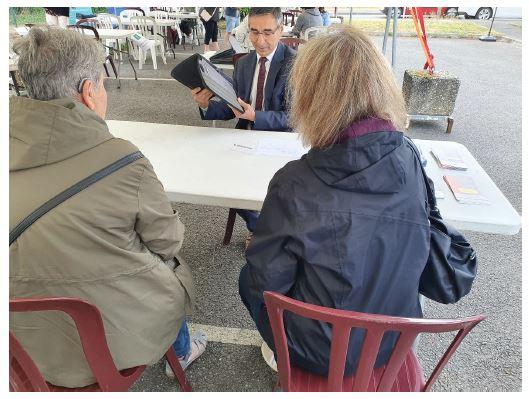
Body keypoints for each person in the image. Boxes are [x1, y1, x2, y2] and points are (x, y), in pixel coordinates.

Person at [9, 27, 206, 388]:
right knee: (169, 264)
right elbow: (168, 243)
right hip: (105, 340)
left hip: (19, 346)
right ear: (88, 92)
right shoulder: (124, 162)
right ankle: (181, 350)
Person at [239, 26, 433, 376]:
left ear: (311, 96)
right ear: (381, 85)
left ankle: (278, 352)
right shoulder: (410, 156)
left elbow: (265, 283)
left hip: (320, 352)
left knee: (246, 276)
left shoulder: (294, 182)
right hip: (393, 338)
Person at [190, 7, 296, 245]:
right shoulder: (245, 63)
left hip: (281, 141)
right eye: (254, 32)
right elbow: (233, 107)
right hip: (245, 139)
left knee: (279, 189)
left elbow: (294, 118)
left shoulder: (296, 64)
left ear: (281, 30)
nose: (260, 41)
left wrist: (255, 115)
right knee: (219, 180)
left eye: (268, 32)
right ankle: (261, 229)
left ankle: (267, 232)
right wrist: (206, 105)